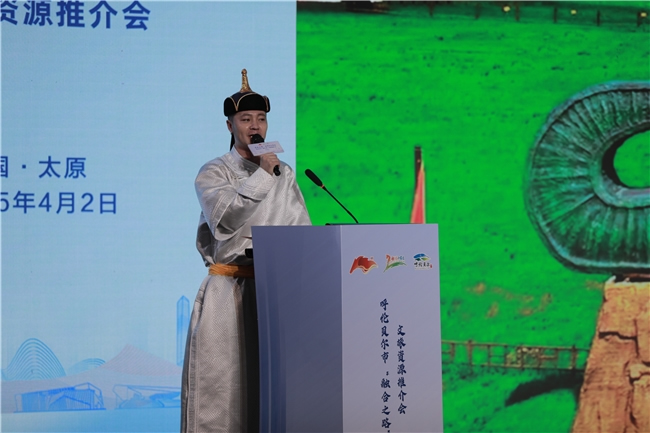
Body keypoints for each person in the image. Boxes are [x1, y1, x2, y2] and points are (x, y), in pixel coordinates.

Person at [181, 69, 311, 433]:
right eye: (245, 119)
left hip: (275, 295)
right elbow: (224, 220)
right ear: (230, 125)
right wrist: (263, 175)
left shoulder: (283, 172)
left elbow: (299, 230)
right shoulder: (214, 172)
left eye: (261, 119)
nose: (255, 126)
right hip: (228, 291)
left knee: (272, 389)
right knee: (222, 389)